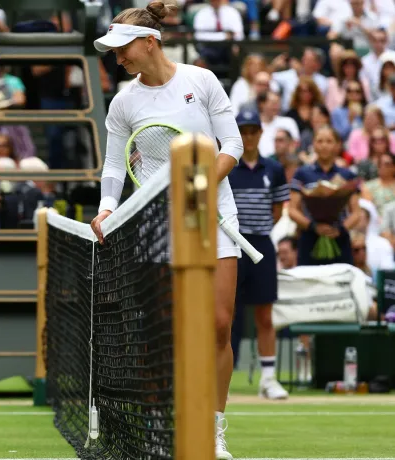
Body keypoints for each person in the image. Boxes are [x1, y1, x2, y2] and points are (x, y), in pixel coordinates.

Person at [88, 2, 243, 459]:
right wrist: (106, 207)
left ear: (149, 42)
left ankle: (212, 430)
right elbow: (115, 165)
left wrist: (196, 185)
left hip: (213, 215)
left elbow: (231, 145)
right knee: (160, 333)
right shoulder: (124, 101)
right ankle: (161, 427)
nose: (118, 58)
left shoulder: (202, 80)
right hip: (156, 224)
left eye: (123, 49)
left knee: (217, 326)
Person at [228, 110, 290, 400]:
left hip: (263, 246)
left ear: (260, 134)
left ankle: (268, 379)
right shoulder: (226, 165)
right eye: (243, 130)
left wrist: (259, 230)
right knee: (225, 314)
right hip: (231, 247)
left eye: (253, 130)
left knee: (265, 314)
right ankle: (222, 378)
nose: (248, 136)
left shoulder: (274, 169)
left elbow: (278, 210)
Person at [288, 126, 361, 266]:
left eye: (329, 141)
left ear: (338, 145)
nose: (324, 145)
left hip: (340, 240)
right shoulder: (302, 173)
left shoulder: (347, 175)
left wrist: (340, 229)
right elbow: (292, 210)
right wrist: (313, 226)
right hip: (309, 239)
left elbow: (356, 213)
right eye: (320, 141)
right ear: (313, 144)